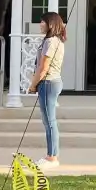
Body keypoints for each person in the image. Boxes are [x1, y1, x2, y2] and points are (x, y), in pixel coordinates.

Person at [28, 11, 66, 167]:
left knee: (49, 121)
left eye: (42, 22)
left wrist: (33, 85)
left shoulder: (51, 42)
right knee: (49, 120)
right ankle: (51, 154)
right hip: (51, 82)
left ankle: (52, 156)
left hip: (48, 83)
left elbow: (43, 68)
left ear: (50, 24)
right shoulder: (54, 41)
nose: (40, 24)